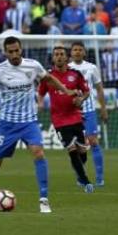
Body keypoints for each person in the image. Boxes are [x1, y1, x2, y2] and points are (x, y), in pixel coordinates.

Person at [0, 36, 76, 213]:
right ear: (5, 52)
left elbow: (49, 79)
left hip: (29, 121)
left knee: (38, 153)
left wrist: (66, 90)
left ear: (21, 49)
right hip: (7, 123)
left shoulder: (33, 65)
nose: (14, 54)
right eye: (10, 51)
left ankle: (44, 199)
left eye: (17, 50)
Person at [38, 46, 94, 193]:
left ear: (67, 57)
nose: (59, 57)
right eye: (56, 54)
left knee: (82, 152)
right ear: (53, 58)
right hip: (59, 120)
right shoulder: (47, 76)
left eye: (62, 54)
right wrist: (40, 103)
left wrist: (81, 99)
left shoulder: (75, 74)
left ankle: (78, 171)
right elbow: (41, 93)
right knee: (71, 148)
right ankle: (84, 180)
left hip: (75, 116)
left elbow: (87, 91)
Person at [69, 42, 108, 186]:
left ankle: (99, 178)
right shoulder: (68, 69)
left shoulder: (92, 68)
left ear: (84, 53)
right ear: (71, 53)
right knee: (77, 146)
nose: (78, 52)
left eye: (80, 50)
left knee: (93, 141)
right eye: (75, 50)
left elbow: (99, 89)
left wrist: (103, 108)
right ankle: (81, 177)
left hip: (89, 110)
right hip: (72, 112)